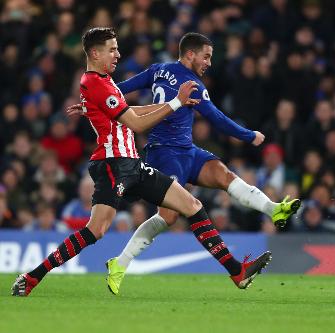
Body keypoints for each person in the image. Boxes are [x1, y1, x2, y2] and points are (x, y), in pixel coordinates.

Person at [12, 27, 271, 297]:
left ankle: (236, 272)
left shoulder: (106, 82)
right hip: (113, 165)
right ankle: (31, 277)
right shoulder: (95, 83)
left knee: (192, 205)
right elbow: (135, 123)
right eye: (112, 49)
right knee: (96, 230)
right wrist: (174, 104)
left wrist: (177, 103)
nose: (118, 54)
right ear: (95, 53)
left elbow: (130, 110)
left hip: (133, 163)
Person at [68, 32, 301, 295]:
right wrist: (250, 136)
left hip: (187, 150)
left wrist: (91, 104)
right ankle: (120, 263)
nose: (209, 63)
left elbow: (120, 88)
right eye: (206, 56)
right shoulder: (192, 85)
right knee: (169, 216)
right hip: (163, 153)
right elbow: (218, 119)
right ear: (190, 54)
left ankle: (273, 210)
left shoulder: (158, 70)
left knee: (224, 175)